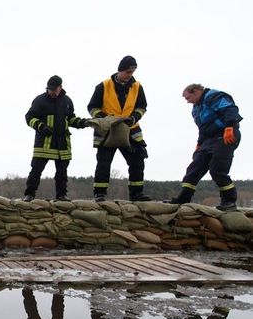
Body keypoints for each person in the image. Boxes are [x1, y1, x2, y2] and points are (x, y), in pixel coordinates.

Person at [166, 84, 243, 210]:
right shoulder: (195, 109)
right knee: (194, 169)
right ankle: (183, 198)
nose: (187, 101)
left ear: (196, 92)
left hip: (225, 134)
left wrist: (229, 127)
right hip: (208, 139)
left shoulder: (214, 96)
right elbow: (202, 129)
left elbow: (230, 109)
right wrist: (199, 143)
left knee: (218, 169)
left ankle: (229, 201)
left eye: (188, 98)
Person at [88, 56, 151, 202]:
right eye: (128, 71)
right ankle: (100, 193)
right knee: (104, 162)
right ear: (120, 70)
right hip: (107, 130)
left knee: (137, 160)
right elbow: (92, 107)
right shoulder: (103, 86)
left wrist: (133, 118)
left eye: (133, 71)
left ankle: (136, 194)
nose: (130, 75)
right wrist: (105, 119)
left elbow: (142, 107)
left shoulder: (137, 87)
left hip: (130, 130)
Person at [23, 75, 89, 202]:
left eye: (54, 89)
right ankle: (29, 194)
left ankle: (61, 195)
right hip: (44, 143)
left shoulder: (67, 101)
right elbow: (29, 117)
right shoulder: (39, 100)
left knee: (62, 173)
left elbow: (70, 119)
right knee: (36, 170)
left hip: (62, 143)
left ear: (60, 88)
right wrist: (41, 127)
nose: (52, 92)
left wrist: (81, 123)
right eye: (50, 89)